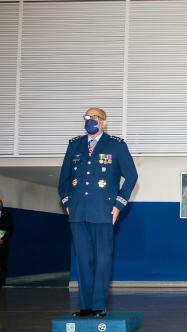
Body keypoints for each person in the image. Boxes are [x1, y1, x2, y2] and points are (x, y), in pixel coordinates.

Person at [58, 107, 138, 317]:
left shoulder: (116, 145)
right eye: (87, 117)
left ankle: (98, 306)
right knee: (83, 259)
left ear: (103, 122)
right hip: (78, 212)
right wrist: (67, 201)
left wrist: (118, 205)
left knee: (102, 259)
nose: (90, 120)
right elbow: (63, 180)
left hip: (104, 211)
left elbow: (131, 177)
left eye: (94, 117)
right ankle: (85, 306)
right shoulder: (74, 145)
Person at [0, 199, 13, 287]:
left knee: (2, 265)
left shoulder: (8, 215)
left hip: (3, 245)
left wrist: (3, 240)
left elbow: (10, 230)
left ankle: (2, 283)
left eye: (0, 204)